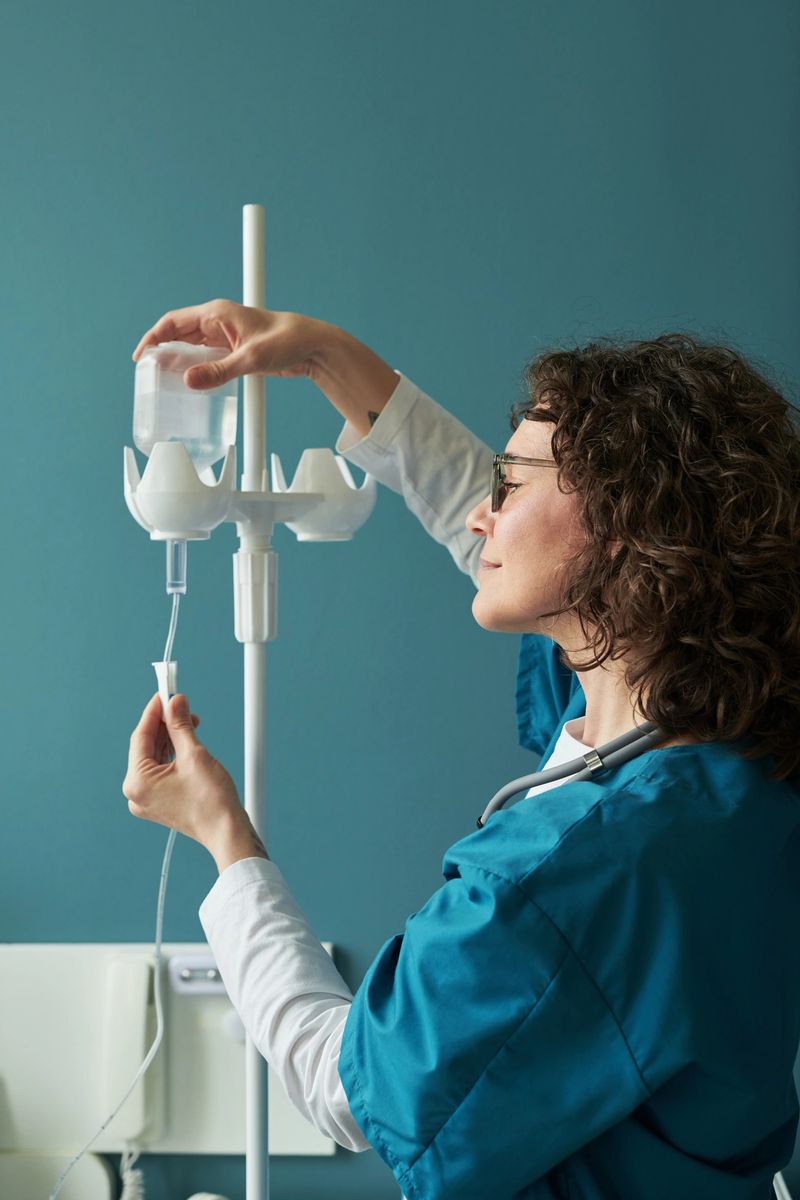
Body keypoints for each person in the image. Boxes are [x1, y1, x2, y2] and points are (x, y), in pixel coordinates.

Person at [124, 300, 800, 1200]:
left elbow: (350, 1088)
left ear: (632, 528)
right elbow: (486, 529)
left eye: (510, 485)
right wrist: (332, 356)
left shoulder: (574, 875)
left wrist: (222, 835)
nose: (482, 516)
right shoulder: (722, 751)